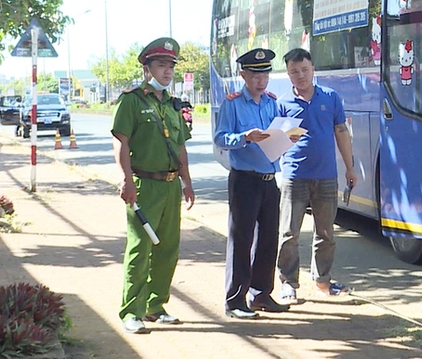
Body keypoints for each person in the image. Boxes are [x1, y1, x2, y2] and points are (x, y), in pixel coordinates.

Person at [112, 37, 195, 334]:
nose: (167, 71)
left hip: (171, 186)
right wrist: (126, 180)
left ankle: (155, 306)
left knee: (168, 249)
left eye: (171, 66)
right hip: (143, 185)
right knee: (140, 248)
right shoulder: (132, 100)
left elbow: (181, 147)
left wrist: (187, 182)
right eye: (161, 65)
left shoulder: (174, 105)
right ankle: (130, 310)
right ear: (147, 69)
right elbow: (120, 141)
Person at [276, 48, 358, 303]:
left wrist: (350, 167)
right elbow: (275, 140)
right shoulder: (282, 103)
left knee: (326, 233)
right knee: (289, 233)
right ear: (288, 74)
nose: (300, 76)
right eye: (294, 72)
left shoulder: (330, 97)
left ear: (313, 70)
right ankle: (288, 283)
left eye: (304, 70)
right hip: (294, 175)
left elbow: (341, 131)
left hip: (326, 176)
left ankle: (323, 280)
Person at [213, 48, 290, 318]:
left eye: (265, 74)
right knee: (241, 239)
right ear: (243, 75)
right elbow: (220, 138)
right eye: (256, 74)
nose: (262, 80)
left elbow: (279, 133)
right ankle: (235, 300)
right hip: (244, 179)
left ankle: (261, 293)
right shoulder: (232, 104)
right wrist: (245, 137)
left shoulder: (271, 102)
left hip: (270, 179)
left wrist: (287, 137)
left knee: (269, 239)